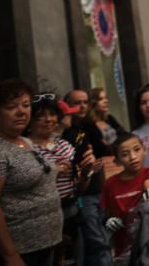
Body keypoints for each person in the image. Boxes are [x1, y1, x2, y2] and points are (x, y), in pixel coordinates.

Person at [0, 80, 62, 265]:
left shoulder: (25, 141)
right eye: (11, 107)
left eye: (26, 105)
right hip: (21, 251)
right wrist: (11, 256)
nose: (22, 111)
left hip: (48, 243)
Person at [27, 95, 94, 265]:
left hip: (71, 212)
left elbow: (78, 189)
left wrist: (87, 172)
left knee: (75, 259)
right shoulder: (25, 148)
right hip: (42, 217)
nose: (48, 119)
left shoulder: (65, 146)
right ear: (31, 120)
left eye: (52, 114)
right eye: (41, 115)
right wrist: (52, 172)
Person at [61, 89, 113, 266]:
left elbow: (102, 151)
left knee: (102, 237)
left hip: (98, 188)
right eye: (77, 102)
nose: (82, 106)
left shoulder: (90, 125)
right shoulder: (64, 131)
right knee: (95, 241)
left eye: (85, 102)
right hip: (81, 194)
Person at [100, 133, 149, 259]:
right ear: (117, 160)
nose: (133, 157)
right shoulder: (110, 184)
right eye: (125, 154)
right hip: (124, 249)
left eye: (137, 150)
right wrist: (108, 221)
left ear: (144, 150)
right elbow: (105, 214)